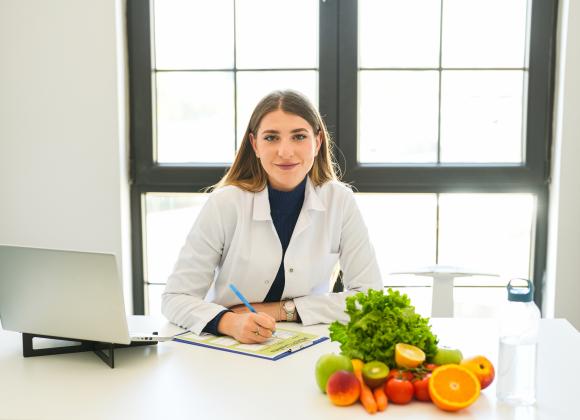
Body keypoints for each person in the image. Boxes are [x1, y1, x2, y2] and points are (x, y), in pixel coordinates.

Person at [162, 90, 382, 344]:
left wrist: (282, 311)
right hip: (231, 345)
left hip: (309, 344)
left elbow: (370, 298)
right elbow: (175, 298)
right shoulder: (226, 203)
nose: (285, 152)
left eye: (299, 136)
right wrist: (230, 322)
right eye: (271, 138)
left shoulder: (340, 201)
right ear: (255, 145)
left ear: (318, 142)